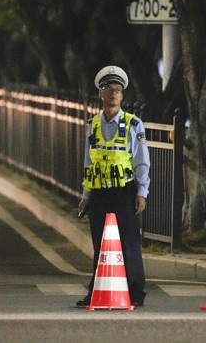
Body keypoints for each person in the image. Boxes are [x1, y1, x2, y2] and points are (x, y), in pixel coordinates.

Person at [76, 65, 150, 307]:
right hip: (99, 192)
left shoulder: (133, 124)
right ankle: (96, 291)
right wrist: (86, 195)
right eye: (109, 89)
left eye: (118, 90)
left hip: (124, 191)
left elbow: (141, 162)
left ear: (122, 95)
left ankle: (135, 292)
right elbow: (89, 161)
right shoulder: (92, 124)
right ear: (101, 93)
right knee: (100, 244)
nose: (114, 93)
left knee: (129, 242)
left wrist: (142, 192)